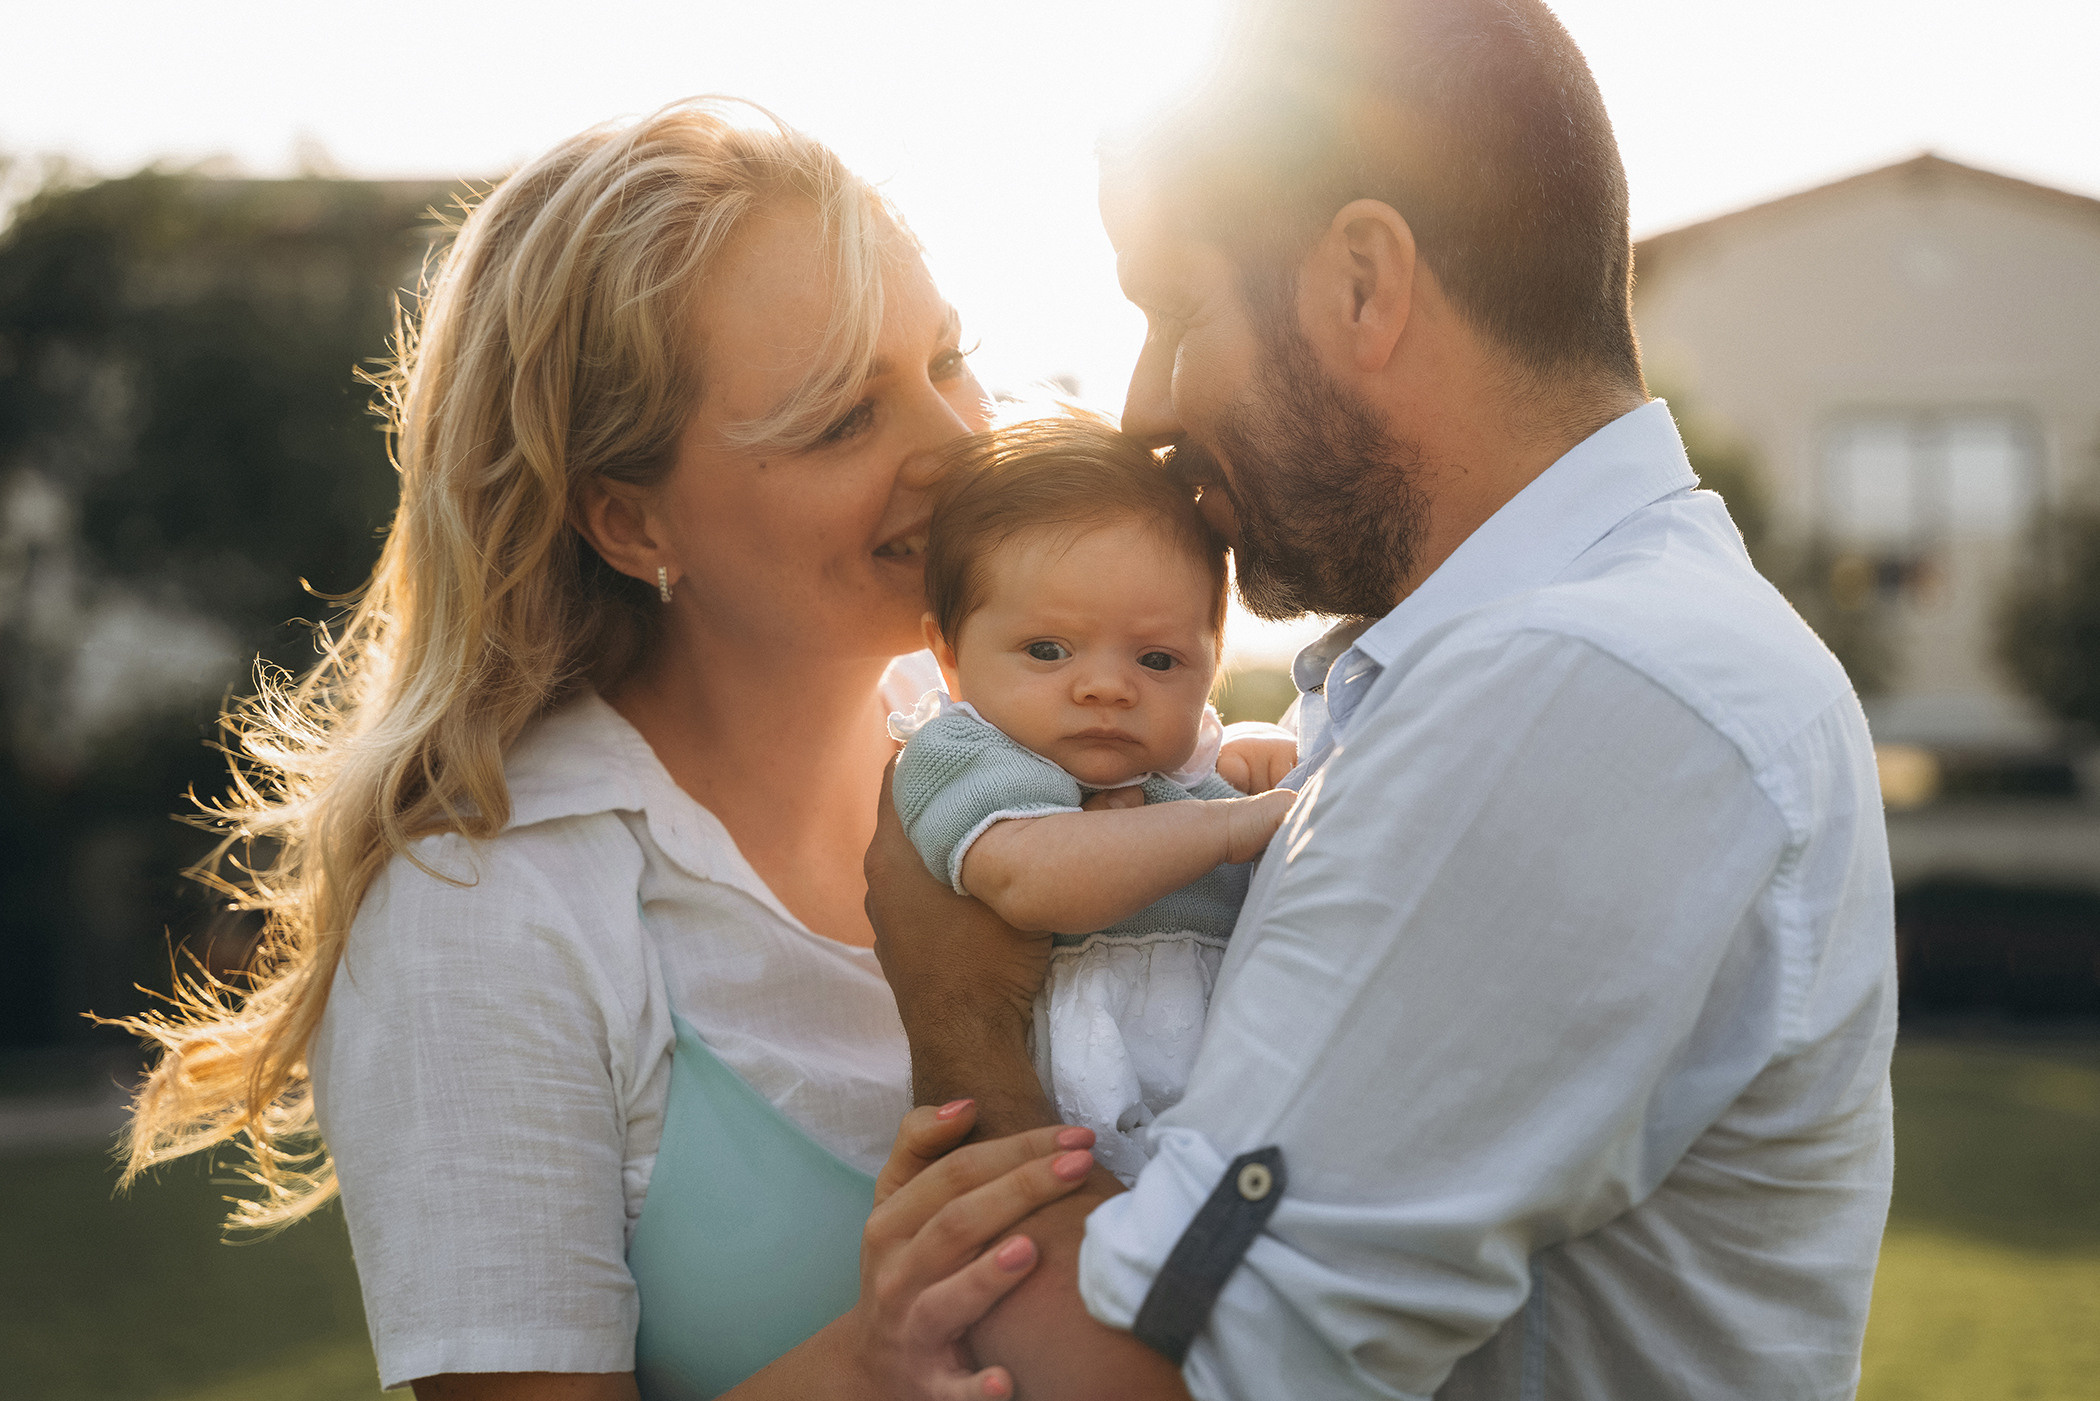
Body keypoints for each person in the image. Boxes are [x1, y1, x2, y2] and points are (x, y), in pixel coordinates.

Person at [864, 1, 1899, 1397]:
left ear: (1363, 282)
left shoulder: (1570, 687)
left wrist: (957, 993)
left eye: (1177, 308)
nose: (1144, 402)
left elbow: (1150, 1378)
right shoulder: (1497, 666)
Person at [111, 99, 1104, 1401]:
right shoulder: (487, 904)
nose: (962, 443)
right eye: (841, 418)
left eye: (945, 359)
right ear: (631, 520)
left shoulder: (1033, 769)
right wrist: (862, 1367)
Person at [889, 417, 1298, 1181]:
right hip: (1067, 1121)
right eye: (1048, 650)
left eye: (1157, 658)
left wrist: (1248, 766)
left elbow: (1207, 775)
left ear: (1213, 664)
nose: (1106, 686)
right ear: (947, 654)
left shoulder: (1194, 772)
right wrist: (1229, 822)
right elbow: (1035, 876)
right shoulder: (961, 753)